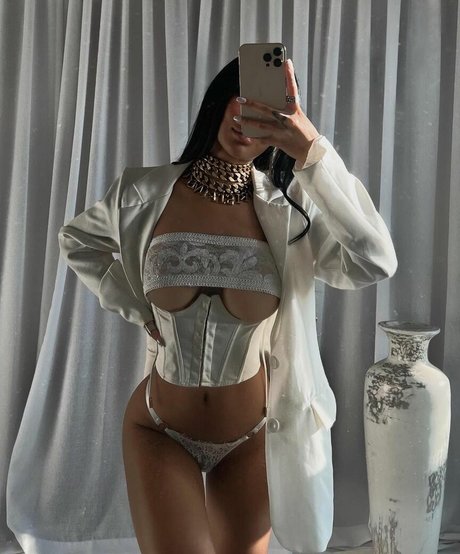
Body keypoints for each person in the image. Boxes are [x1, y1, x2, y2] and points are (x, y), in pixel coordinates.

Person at [58, 56, 397, 554]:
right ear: (218, 101)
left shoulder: (291, 217)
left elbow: (375, 260)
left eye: (269, 112)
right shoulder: (142, 192)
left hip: (255, 436)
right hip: (158, 429)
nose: (248, 120)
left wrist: (312, 153)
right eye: (242, 100)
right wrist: (136, 306)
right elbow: (77, 241)